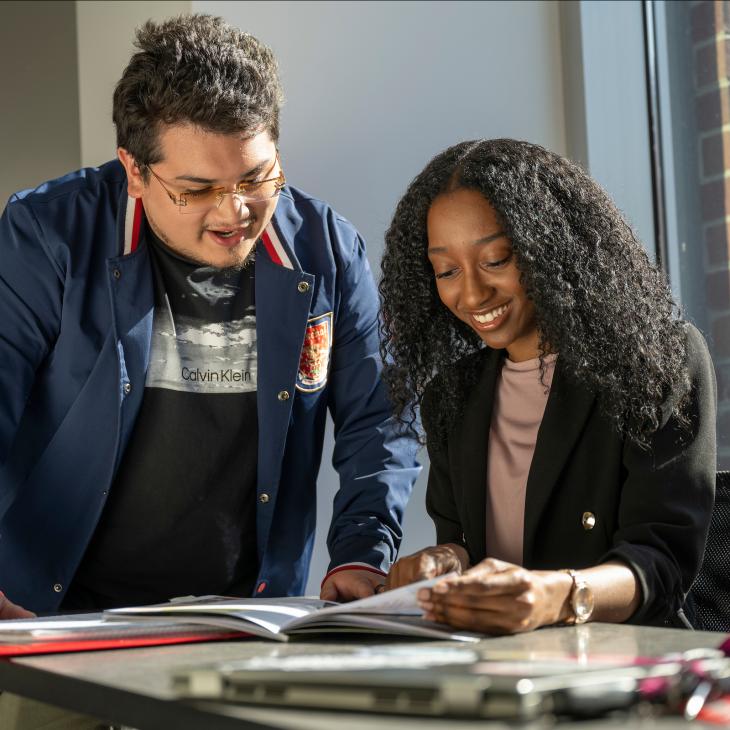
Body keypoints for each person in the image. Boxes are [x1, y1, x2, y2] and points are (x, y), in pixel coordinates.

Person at [0, 13, 420, 622]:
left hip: (246, 617)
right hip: (48, 614)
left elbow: (377, 423)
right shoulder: (47, 234)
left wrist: (361, 553)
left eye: (257, 178)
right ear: (135, 171)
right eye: (196, 190)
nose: (235, 213)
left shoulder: (327, 249)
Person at [379, 139, 716, 633]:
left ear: (550, 246)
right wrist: (444, 561)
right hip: (499, 665)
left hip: (623, 667)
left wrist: (555, 595)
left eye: (495, 260)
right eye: (447, 271)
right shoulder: (453, 395)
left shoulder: (659, 362)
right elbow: (469, 544)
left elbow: (661, 566)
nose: (471, 293)